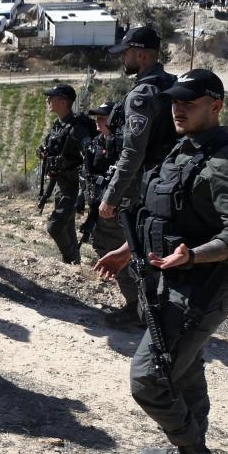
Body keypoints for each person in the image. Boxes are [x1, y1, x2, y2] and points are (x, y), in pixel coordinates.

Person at [94, 69, 228, 454]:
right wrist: (129, 253)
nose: (178, 107)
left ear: (217, 105)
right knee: (185, 369)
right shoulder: (182, 151)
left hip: (203, 288)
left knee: (148, 378)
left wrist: (194, 255)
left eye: (190, 101)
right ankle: (187, 446)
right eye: (174, 100)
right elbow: (164, 218)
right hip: (166, 278)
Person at [99, 26, 177, 221]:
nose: (122, 58)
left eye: (126, 53)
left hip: (147, 183)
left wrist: (111, 197)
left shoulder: (141, 96)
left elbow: (133, 152)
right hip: (172, 178)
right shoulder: (173, 83)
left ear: (141, 56)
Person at [82, 101, 141, 326]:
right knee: (105, 249)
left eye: (102, 117)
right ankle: (136, 304)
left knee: (122, 257)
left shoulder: (125, 147)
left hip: (119, 212)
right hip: (101, 211)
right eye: (96, 117)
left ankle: (137, 308)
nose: (98, 121)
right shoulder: (97, 144)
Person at [37, 84, 91, 264]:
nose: (47, 101)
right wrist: (43, 152)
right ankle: (74, 263)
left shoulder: (76, 129)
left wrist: (83, 191)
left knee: (55, 225)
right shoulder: (59, 124)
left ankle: (71, 257)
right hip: (60, 184)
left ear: (62, 102)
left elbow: (89, 157)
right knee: (67, 226)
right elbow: (51, 146)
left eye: (51, 98)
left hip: (73, 186)